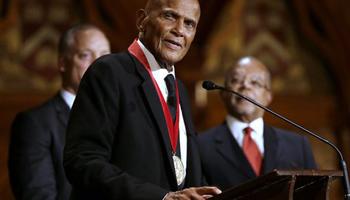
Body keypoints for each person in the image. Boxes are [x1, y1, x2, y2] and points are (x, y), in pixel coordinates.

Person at [63, 0, 222, 199]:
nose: (180, 30)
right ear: (141, 21)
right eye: (170, 16)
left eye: (189, 24)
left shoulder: (179, 88)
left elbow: (184, 173)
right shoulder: (109, 72)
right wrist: (162, 197)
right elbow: (82, 162)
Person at [8, 24, 111, 200]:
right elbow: (37, 195)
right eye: (85, 55)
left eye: (104, 55)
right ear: (63, 63)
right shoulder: (35, 123)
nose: (98, 63)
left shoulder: (121, 116)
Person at [197, 56, 317, 190]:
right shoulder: (200, 145)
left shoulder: (298, 146)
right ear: (223, 94)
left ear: (268, 96)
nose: (245, 86)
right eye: (236, 80)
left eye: (255, 82)